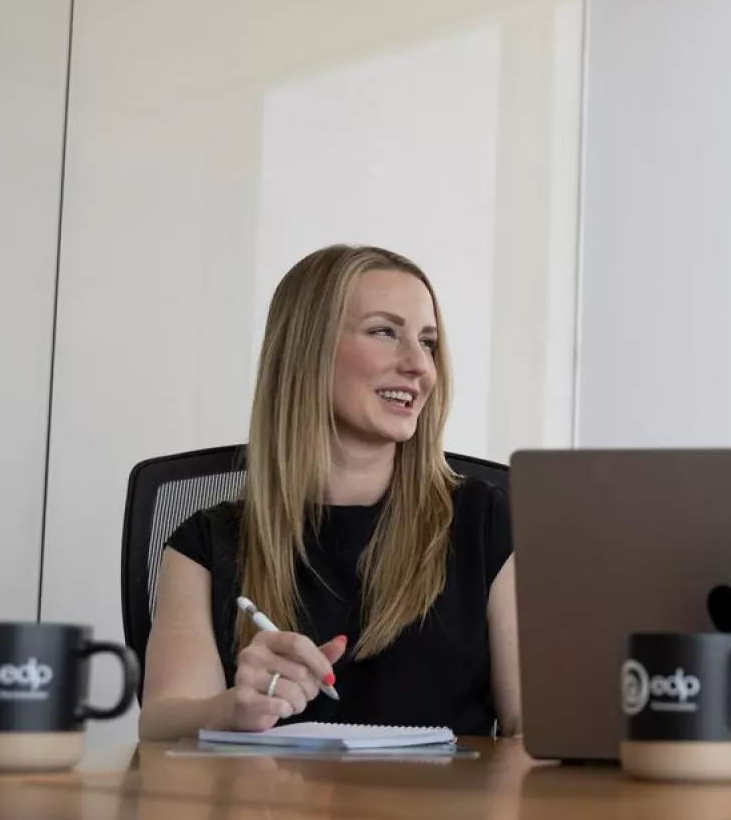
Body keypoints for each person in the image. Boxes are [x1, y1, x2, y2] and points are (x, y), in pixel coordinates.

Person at [138, 245, 520, 741]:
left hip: (441, 817)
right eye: (385, 332)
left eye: (428, 343)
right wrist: (233, 707)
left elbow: (532, 727)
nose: (419, 366)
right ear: (307, 349)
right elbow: (162, 720)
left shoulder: (486, 522)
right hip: (273, 815)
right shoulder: (205, 543)